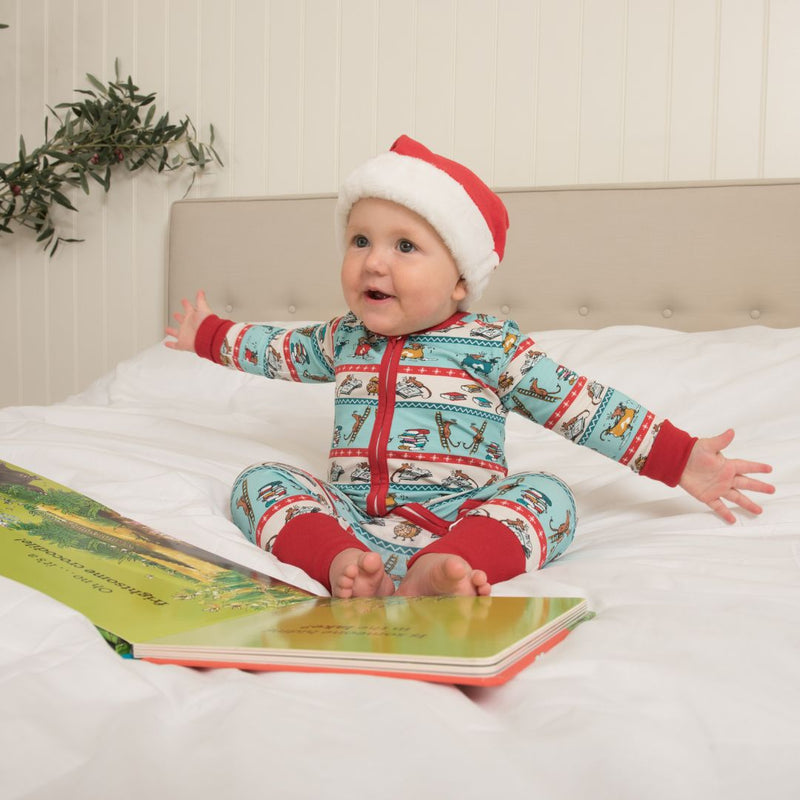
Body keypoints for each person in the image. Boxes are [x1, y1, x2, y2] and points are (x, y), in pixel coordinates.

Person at [165, 135, 774, 599]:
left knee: (549, 497)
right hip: (354, 518)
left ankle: (446, 570)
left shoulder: (492, 347)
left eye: (405, 246)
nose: (375, 263)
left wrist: (678, 457)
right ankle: (344, 567)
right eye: (360, 241)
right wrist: (210, 334)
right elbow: (278, 350)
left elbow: (586, 408)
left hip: (465, 518)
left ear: (461, 279)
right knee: (259, 483)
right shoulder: (341, 338)